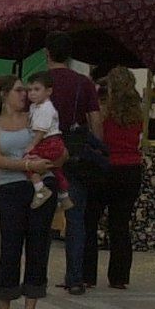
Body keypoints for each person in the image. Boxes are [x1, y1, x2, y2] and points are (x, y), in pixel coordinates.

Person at [0, 76, 60, 309]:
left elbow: (59, 146)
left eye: (27, 90)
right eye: (19, 91)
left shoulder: (36, 118)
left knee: (38, 247)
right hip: (11, 187)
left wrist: (49, 161)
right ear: (4, 94)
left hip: (42, 185)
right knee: (10, 249)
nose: (25, 95)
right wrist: (28, 166)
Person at [42, 33, 104, 294]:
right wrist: (97, 148)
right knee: (75, 218)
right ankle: (75, 277)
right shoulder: (84, 83)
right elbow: (96, 121)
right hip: (76, 153)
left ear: (47, 53)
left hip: (44, 154)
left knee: (41, 217)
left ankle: (37, 275)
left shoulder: (39, 82)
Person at [85, 66, 145, 290]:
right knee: (120, 224)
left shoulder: (103, 111)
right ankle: (119, 276)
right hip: (131, 169)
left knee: (90, 221)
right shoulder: (138, 113)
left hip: (106, 167)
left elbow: (97, 135)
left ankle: (87, 273)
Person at [22, 73, 71, 212]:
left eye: (37, 89)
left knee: (28, 161)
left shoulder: (46, 108)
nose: (32, 93)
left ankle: (40, 189)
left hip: (49, 141)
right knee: (55, 169)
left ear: (48, 91)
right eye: (30, 90)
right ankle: (64, 195)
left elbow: (41, 130)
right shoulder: (35, 106)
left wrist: (32, 145)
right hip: (52, 142)